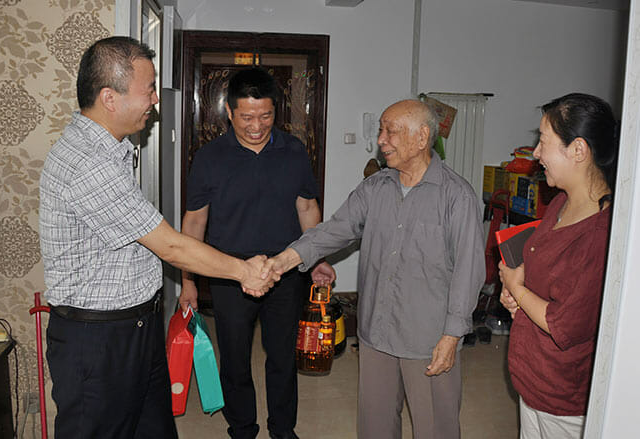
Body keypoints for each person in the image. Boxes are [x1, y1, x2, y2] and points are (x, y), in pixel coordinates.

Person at [39, 37, 278, 439]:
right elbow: (169, 244)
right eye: (149, 90)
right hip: (99, 342)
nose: (155, 101)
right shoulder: (89, 163)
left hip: (135, 328)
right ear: (110, 98)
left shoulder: (113, 150)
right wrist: (244, 271)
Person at [269, 99, 485, 439]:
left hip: (428, 338)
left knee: (435, 428)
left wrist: (452, 336)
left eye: (391, 131)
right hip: (377, 332)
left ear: (422, 137)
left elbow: (468, 272)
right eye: (381, 130)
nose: (381, 140)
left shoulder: (456, 196)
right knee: (375, 426)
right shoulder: (374, 188)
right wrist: (281, 261)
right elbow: (333, 231)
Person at [179, 67, 335, 439]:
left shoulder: (294, 151)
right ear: (229, 112)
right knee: (234, 360)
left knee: (283, 357)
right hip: (230, 275)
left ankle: (283, 430)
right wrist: (188, 281)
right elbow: (195, 221)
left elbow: (307, 208)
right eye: (247, 117)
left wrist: (317, 258)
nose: (256, 126)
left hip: (285, 272)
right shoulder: (209, 158)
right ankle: (242, 429)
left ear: (275, 111)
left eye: (265, 116)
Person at [498, 93, 617, 438]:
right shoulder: (560, 203)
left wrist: (516, 286)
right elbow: (542, 280)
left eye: (543, 141)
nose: (535, 153)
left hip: (563, 397)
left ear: (577, 150)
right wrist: (516, 297)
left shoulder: (598, 234)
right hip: (533, 380)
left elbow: (563, 324)